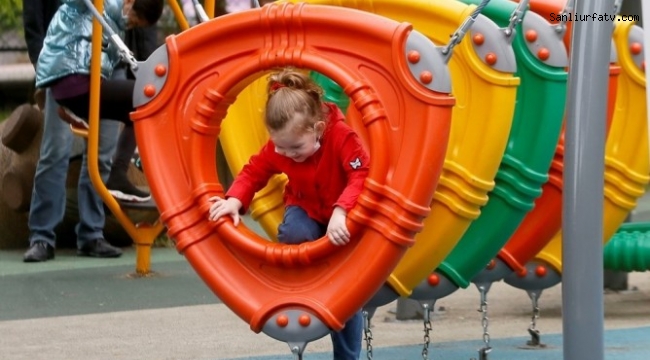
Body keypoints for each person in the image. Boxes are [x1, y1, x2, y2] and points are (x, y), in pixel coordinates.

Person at [208, 69, 369, 360]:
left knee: (349, 295)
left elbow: (361, 174)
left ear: (318, 128)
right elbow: (254, 171)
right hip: (305, 206)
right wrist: (234, 200)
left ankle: (347, 357)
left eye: (295, 148)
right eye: (280, 147)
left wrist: (342, 211)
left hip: (343, 215)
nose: (287, 154)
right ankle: (301, 288)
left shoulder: (342, 137)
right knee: (295, 233)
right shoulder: (282, 146)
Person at [22, 0, 124, 262]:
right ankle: (42, 235)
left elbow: (136, 14)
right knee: (55, 149)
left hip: (112, 62)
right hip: (67, 64)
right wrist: (44, 67)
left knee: (103, 152)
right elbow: (34, 18)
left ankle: (92, 232)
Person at [34, 0, 164, 200]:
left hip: (78, 86)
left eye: (136, 26)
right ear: (129, 2)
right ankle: (122, 171)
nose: (131, 25)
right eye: (134, 20)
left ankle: (119, 173)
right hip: (73, 80)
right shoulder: (94, 5)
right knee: (147, 97)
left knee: (137, 113)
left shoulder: (114, 27)